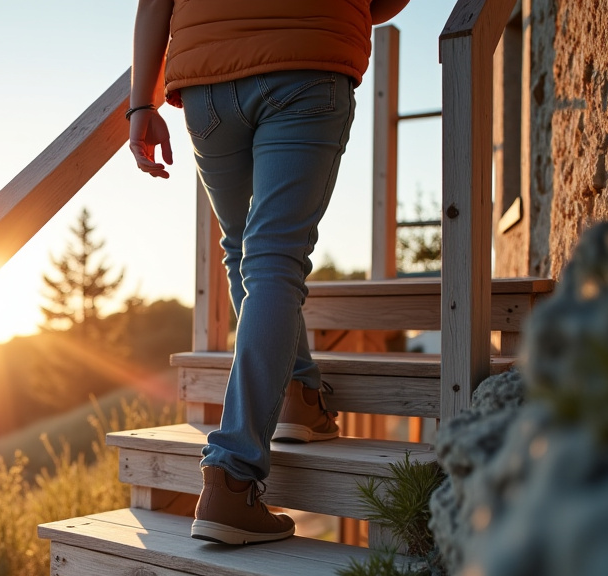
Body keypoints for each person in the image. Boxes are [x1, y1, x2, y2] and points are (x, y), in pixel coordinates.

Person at [128, 0, 410, 545]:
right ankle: (232, 477)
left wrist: (140, 104)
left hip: (207, 79)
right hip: (307, 58)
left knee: (245, 251)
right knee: (273, 258)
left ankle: (300, 395)